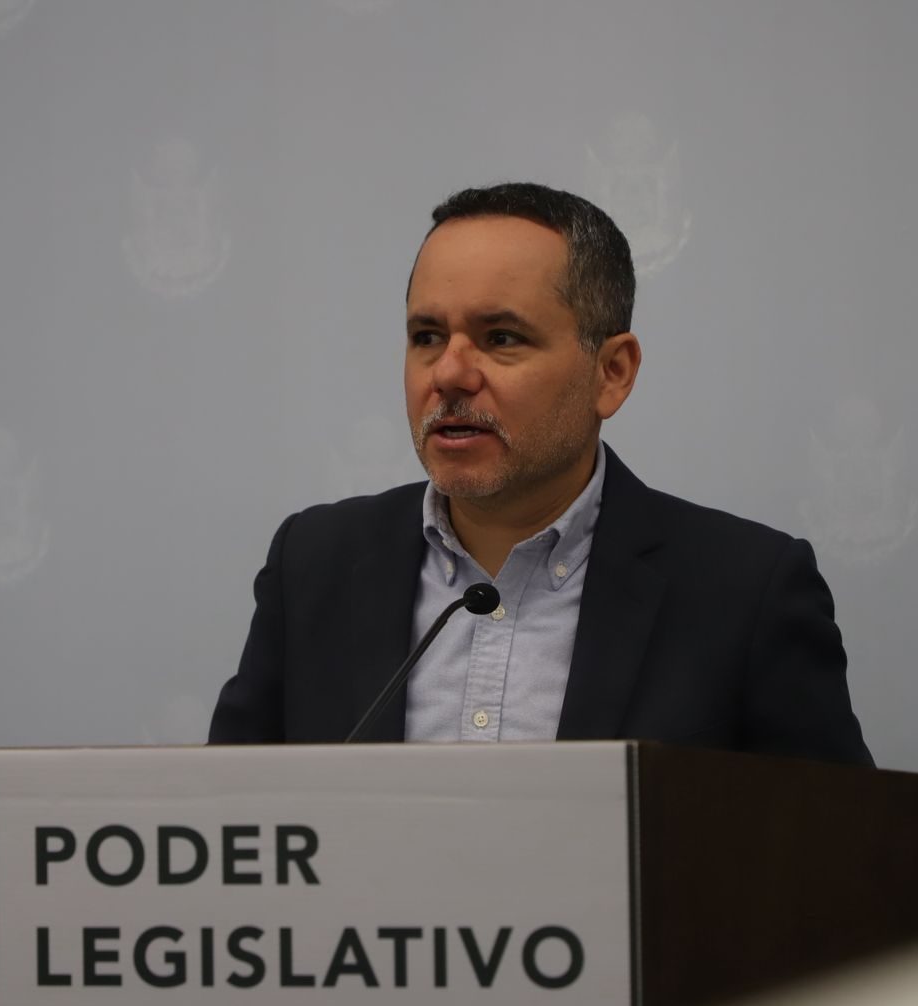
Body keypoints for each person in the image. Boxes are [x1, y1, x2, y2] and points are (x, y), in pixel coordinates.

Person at [210, 182, 872, 765]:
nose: (449, 374)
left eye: (502, 338)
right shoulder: (314, 566)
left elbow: (833, 846)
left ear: (612, 373)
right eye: (427, 337)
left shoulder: (744, 593)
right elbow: (228, 822)